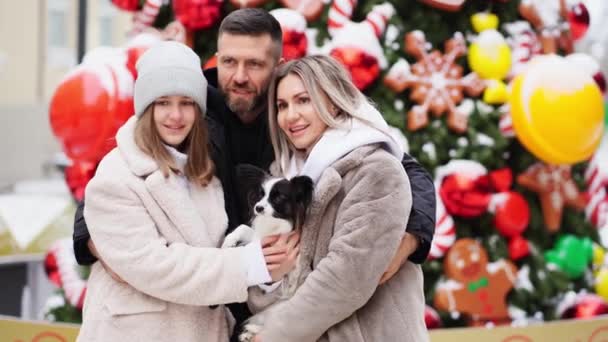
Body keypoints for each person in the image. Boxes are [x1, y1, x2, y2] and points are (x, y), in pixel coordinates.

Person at [72, 8, 435, 330]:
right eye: (229, 62)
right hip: (208, 298)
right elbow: (124, 171)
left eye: (255, 65)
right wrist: (99, 241)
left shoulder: (300, 119)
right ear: (216, 60)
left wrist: (412, 235)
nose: (239, 76)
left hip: (275, 303)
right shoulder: (189, 107)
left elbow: (396, 169)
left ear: (276, 66)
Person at [76, 41, 298, 341]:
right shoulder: (116, 176)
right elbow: (156, 267)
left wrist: (267, 268)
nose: (175, 115)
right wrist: (249, 265)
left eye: (186, 102)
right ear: (145, 108)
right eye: (163, 102)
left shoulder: (203, 170)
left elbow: (219, 250)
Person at [247, 55, 428, 342]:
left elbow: (347, 277)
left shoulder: (375, 170)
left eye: (303, 100)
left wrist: (275, 335)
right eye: (282, 106)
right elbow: (267, 278)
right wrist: (269, 278)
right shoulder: (282, 182)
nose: (290, 115)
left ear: (332, 101)